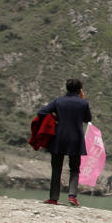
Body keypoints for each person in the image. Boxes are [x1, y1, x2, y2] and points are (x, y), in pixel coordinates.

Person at [37, 78, 92, 206]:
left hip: (59, 137)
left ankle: (53, 198)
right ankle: (72, 196)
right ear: (80, 90)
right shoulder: (83, 103)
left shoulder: (58, 101)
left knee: (56, 168)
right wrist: (82, 100)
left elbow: (42, 112)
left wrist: (55, 118)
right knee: (74, 168)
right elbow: (87, 119)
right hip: (75, 139)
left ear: (67, 88)